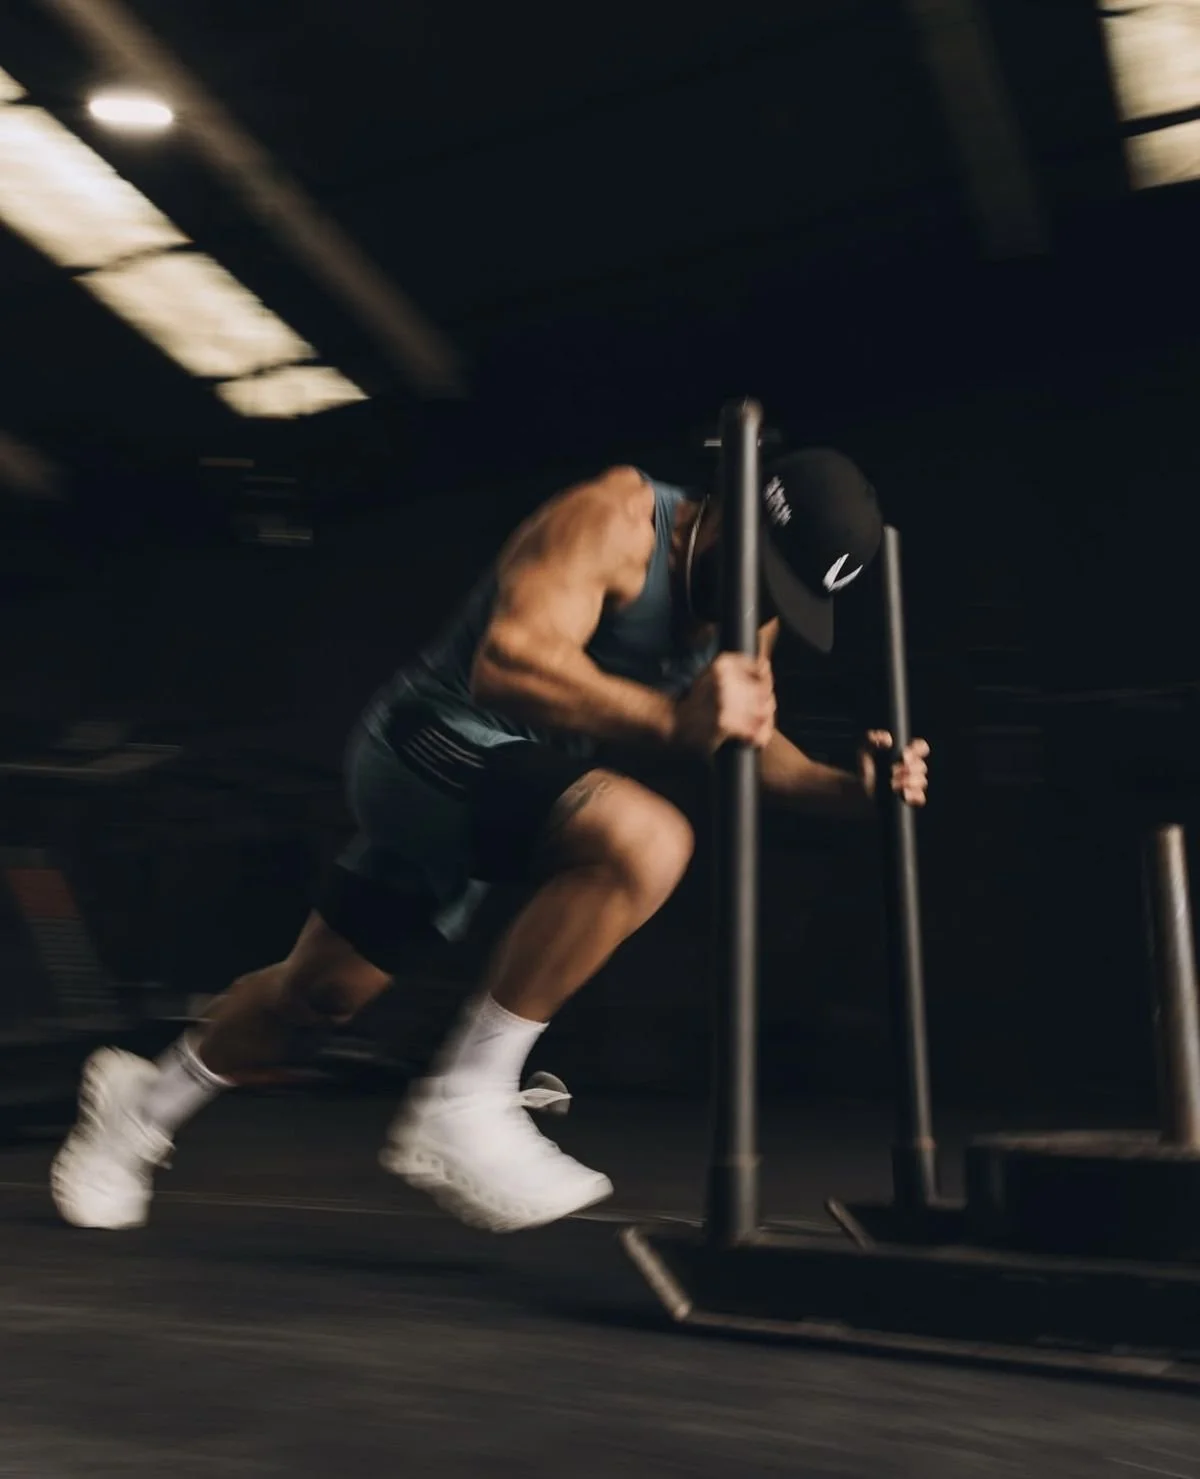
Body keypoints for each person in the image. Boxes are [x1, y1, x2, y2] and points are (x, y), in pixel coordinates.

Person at [50, 448, 930, 1235]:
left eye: (784, 594)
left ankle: (140, 1101)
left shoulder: (751, 606)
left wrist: (839, 787)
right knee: (648, 839)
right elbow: (509, 661)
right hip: (426, 743)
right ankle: (466, 1098)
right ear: (734, 509)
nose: (765, 602)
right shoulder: (616, 518)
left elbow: (740, 734)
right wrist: (670, 717)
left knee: (320, 996)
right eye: (766, 573)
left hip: (502, 789)